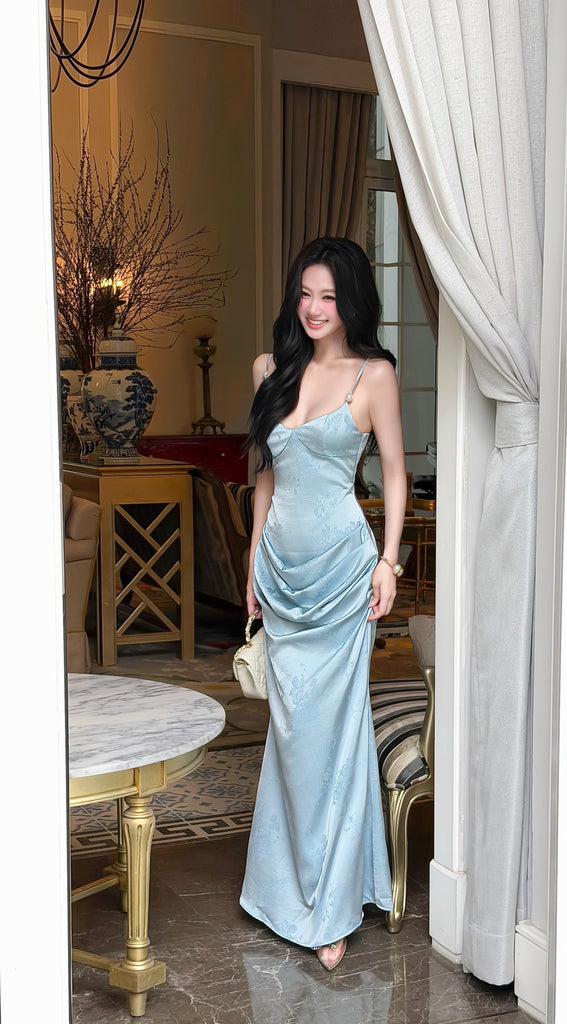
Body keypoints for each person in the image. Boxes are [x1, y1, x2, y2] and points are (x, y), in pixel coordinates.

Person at [239, 237, 406, 970]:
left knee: (332, 739)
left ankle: (331, 907)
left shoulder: (374, 375)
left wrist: (388, 562)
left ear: (351, 302)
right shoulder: (268, 370)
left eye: (329, 296)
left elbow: (394, 473)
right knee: (289, 737)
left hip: (342, 578)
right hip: (281, 575)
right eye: (305, 293)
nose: (314, 308)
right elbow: (265, 476)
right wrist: (252, 560)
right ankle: (282, 890)